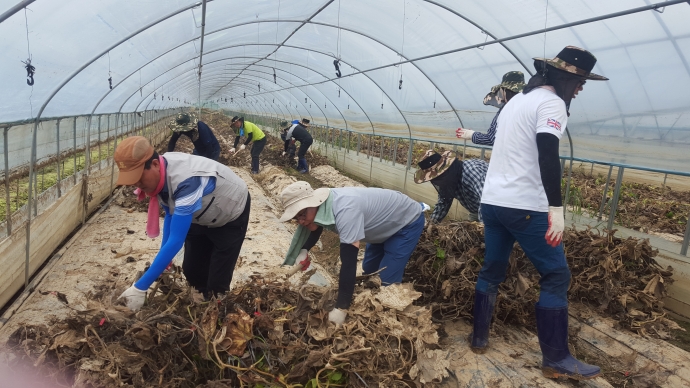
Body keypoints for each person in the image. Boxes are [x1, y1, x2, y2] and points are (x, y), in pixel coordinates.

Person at [472, 46, 608, 380]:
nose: (580, 88)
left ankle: (478, 338)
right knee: (556, 275)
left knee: (493, 269)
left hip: (493, 203)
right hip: (525, 207)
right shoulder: (552, 103)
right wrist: (556, 208)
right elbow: (548, 154)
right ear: (565, 77)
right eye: (579, 82)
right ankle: (556, 359)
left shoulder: (517, 101)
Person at [115, 136, 251, 311]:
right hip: (198, 212)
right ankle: (201, 303)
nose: (136, 183)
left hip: (229, 211)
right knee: (192, 270)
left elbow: (176, 239)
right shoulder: (160, 178)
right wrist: (164, 262)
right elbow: (171, 216)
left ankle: (217, 309)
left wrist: (140, 287)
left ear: (155, 164)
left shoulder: (186, 181)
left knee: (218, 280)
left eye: (139, 177)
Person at [278, 181, 426, 325]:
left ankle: (389, 322)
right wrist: (304, 249)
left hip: (405, 222)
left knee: (387, 282)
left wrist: (341, 308)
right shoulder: (321, 207)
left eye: (302, 215)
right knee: (370, 271)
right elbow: (317, 225)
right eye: (296, 218)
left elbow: (348, 263)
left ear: (314, 203)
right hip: (380, 226)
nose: (301, 221)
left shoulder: (345, 211)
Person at [414, 150, 488, 222]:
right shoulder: (447, 178)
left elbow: (486, 202)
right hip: (476, 210)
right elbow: (444, 201)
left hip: (494, 208)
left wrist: (484, 227)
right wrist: (431, 223)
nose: (437, 181)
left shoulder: (472, 172)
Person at [456, 71, 525, 146]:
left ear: (504, 90)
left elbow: (492, 139)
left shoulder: (506, 110)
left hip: (509, 156)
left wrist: (471, 135)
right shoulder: (528, 106)